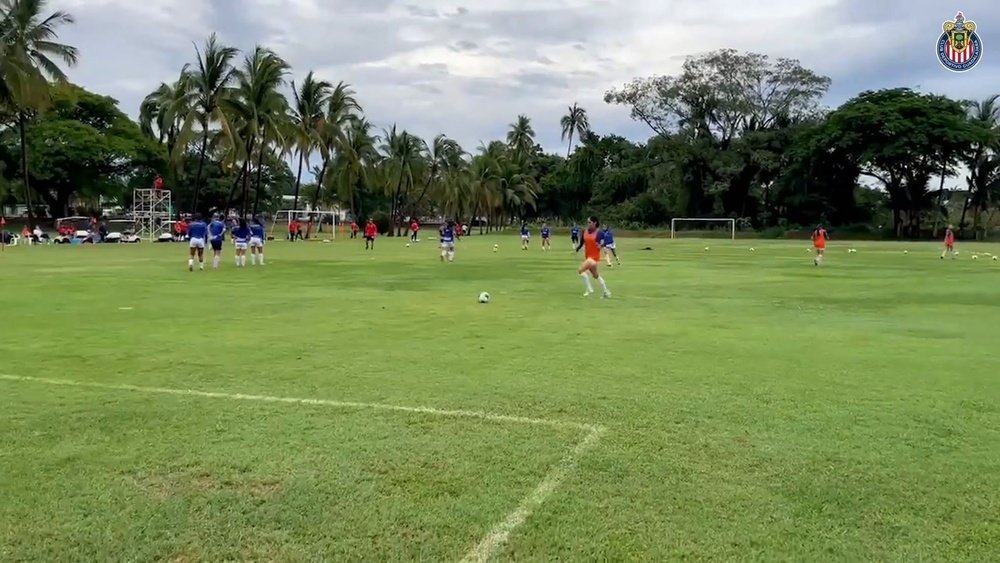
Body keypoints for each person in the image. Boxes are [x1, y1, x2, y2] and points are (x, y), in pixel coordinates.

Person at [575, 216, 611, 298]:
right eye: (587, 222)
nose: (588, 224)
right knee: (596, 276)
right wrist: (576, 249)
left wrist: (601, 245)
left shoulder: (599, 233)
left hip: (594, 258)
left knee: (581, 270)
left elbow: (608, 240)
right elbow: (581, 243)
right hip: (588, 257)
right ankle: (606, 292)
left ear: (595, 223)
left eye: (589, 222)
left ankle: (589, 289)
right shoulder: (584, 231)